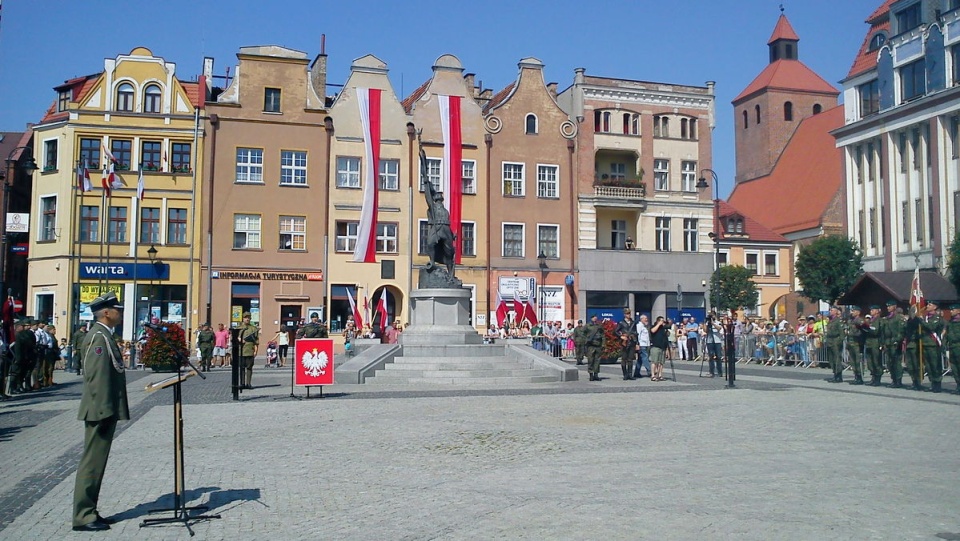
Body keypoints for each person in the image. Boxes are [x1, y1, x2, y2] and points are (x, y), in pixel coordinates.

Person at [72, 292, 128, 531]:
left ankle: (90, 510)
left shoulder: (104, 335)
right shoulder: (98, 337)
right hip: (99, 409)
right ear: (106, 312)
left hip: (103, 407)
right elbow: (96, 377)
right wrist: (105, 408)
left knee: (97, 463)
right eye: (117, 309)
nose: (120, 313)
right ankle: (84, 515)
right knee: (92, 463)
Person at [879, 300, 905, 388]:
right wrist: (883, 343)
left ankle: (898, 380)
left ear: (895, 306)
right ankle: (893, 379)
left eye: (890, 306)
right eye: (887, 306)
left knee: (896, 362)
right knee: (890, 363)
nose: (888, 308)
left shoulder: (898, 318)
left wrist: (897, 341)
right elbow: (883, 332)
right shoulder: (887, 318)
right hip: (888, 343)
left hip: (895, 343)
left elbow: (901, 331)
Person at [862, 306, 883, 386]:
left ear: (877, 311)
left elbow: (876, 331)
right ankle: (873, 377)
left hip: (875, 343)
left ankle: (878, 379)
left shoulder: (879, 320)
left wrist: (868, 329)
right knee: (870, 362)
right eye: (870, 310)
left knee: (876, 361)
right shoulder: (871, 320)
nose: (871, 311)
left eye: (873, 310)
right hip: (869, 343)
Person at [845, 306, 866, 385]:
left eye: (853, 311)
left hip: (857, 343)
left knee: (858, 361)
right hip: (851, 344)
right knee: (853, 362)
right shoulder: (850, 321)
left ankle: (860, 377)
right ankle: (856, 376)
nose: (852, 312)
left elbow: (863, 332)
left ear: (858, 312)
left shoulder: (860, 321)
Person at [823, 306, 844, 383]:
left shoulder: (838, 321)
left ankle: (839, 376)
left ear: (836, 311)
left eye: (831, 310)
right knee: (831, 359)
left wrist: (840, 341)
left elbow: (842, 333)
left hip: (836, 341)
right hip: (830, 341)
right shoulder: (830, 321)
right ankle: (835, 374)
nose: (830, 312)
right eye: (830, 310)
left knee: (837, 359)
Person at [616, 309, 638, 380]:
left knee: (630, 359)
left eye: (629, 313)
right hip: (624, 343)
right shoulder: (621, 322)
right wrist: (621, 336)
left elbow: (636, 332)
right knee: (624, 359)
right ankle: (625, 374)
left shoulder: (633, 322)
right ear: (624, 314)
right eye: (627, 314)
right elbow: (615, 331)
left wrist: (637, 342)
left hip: (631, 342)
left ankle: (630, 374)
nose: (628, 315)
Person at [238, 312, 258, 389]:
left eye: (248, 317)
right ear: (243, 319)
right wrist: (239, 339)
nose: (247, 319)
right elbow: (233, 338)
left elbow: (256, 341)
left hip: (250, 351)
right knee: (242, 368)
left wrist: (256, 351)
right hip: (241, 351)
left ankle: (248, 383)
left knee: (249, 368)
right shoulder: (239, 328)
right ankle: (242, 383)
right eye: (246, 317)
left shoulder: (253, 328)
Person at [583, 315, 605, 381]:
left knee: (597, 361)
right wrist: (586, 339)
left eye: (596, 316)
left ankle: (596, 374)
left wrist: (603, 344)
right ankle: (591, 375)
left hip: (598, 345)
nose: (595, 318)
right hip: (591, 346)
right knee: (590, 360)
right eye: (593, 317)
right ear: (591, 318)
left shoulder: (599, 326)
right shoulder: (587, 326)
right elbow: (582, 333)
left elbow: (602, 335)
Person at [945, 304, 960, 395]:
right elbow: (947, 334)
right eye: (951, 310)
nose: (951, 311)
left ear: (958, 311)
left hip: (958, 346)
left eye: (953, 310)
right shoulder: (950, 322)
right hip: (952, 347)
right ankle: (958, 385)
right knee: (954, 368)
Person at [649, 316, 669, 381]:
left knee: (661, 362)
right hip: (655, 346)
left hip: (662, 347)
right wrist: (658, 324)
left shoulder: (663, 328)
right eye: (661, 321)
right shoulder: (654, 326)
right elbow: (652, 331)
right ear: (658, 321)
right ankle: (653, 375)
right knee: (654, 361)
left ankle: (660, 375)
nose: (663, 322)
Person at [705, 313, 724, 377]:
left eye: (712, 316)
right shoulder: (707, 323)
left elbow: (719, 328)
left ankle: (720, 372)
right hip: (709, 341)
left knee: (718, 357)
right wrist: (706, 324)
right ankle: (711, 372)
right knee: (711, 357)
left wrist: (713, 323)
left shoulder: (718, 322)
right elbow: (705, 331)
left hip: (717, 341)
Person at [633, 314, 652, 378]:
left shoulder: (645, 326)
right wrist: (637, 344)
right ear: (641, 319)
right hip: (642, 344)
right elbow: (637, 335)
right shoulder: (639, 326)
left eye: (646, 318)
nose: (646, 319)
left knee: (640, 359)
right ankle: (649, 371)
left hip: (646, 344)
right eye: (645, 318)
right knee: (645, 357)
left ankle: (636, 372)